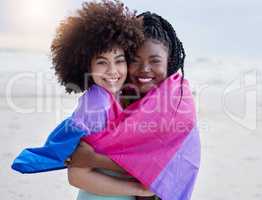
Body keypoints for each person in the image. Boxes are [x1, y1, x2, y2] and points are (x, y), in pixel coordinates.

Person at [12, 0, 155, 199]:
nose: (113, 71)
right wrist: (138, 189)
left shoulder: (117, 95)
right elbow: (77, 174)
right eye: (102, 62)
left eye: (119, 61)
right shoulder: (96, 104)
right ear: (86, 66)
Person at [68, 12, 200, 200]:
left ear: (169, 61)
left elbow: (171, 165)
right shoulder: (105, 100)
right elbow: (77, 173)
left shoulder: (177, 103)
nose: (145, 68)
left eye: (154, 61)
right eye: (134, 60)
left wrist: (95, 159)